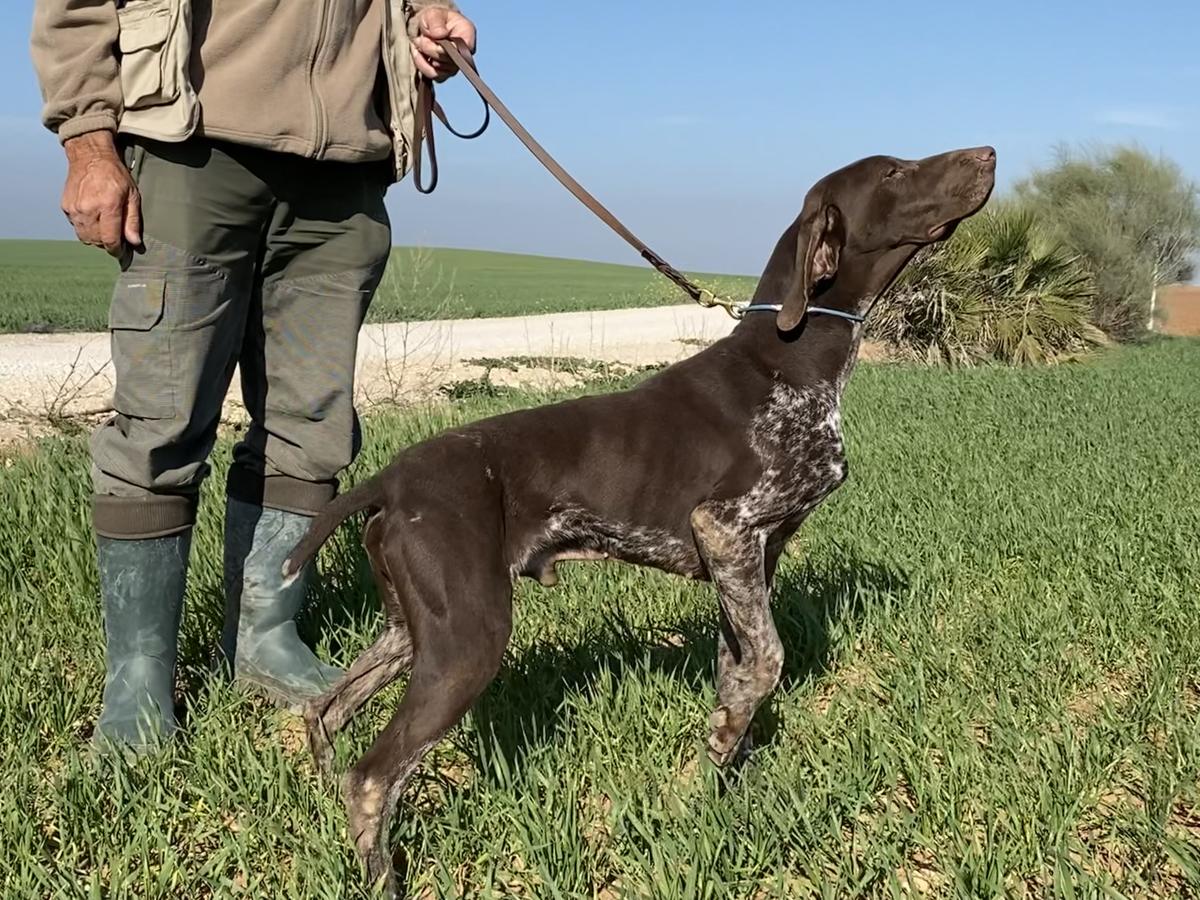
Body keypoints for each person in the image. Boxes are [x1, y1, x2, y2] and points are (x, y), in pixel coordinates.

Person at [30, 0, 477, 752]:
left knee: (313, 428)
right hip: (192, 149)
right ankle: (139, 676)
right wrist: (87, 140)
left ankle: (265, 641)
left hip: (345, 175)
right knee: (160, 425)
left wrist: (422, 27)